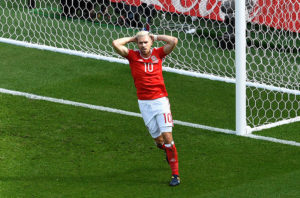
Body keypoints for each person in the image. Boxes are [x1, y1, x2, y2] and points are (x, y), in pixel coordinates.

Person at [112, 31, 180, 186]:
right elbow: (116, 43)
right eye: (140, 43)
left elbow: (174, 41)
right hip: (144, 104)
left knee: (168, 137)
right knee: (158, 141)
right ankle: (167, 151)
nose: (142, 45)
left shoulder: (159, 53)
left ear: (151, 43)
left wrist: (155, 36)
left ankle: (175, 175)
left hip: (160, 101)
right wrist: (133, 38)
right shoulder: (132, 56)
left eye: (145, 42)